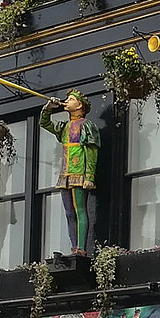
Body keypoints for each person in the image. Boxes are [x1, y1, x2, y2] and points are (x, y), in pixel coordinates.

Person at [40, 89, 100, 255]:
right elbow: (44, 124)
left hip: (79, 173)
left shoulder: (86, 125)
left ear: (79, 105)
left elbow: (92, 152)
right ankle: (74, 246)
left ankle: (81, 247)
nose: (66, 101)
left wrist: (89, 176)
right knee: (68, 212)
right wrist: (48, 108)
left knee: (80, 210)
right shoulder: (65, 126)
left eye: (71, 99)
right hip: (65, 173)